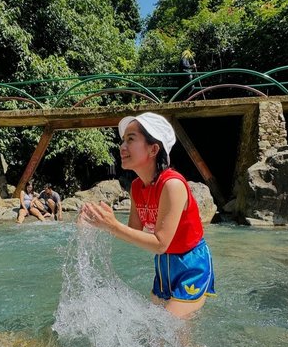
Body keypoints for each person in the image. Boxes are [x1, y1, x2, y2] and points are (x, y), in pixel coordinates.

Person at [79, 112, 215, 319]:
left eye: (130, 139)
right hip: (163, 264)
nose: (122, 147)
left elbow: (160, 243)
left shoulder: (172, 185)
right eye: (123, 140)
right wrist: (98, 222)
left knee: (165, 326)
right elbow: (133, 232)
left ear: (153, 149)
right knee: (170, 334)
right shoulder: (136, 187)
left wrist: (112, 225)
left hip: (192, 264)